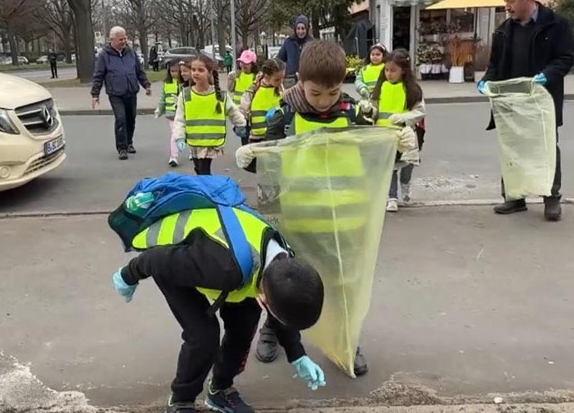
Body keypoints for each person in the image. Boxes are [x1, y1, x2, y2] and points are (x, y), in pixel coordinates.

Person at [249, 41, 416, 376]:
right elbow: (267, 168)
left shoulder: (356, 115)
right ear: (299, 81)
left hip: (345, 221)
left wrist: (399, 148)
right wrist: (255, 168)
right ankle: (274, 328)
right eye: (315, 93)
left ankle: (346, 339)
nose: (325, 101)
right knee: (285, 283)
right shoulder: (284, 117)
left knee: (343, 286)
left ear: (343, 83)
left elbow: (375, 158)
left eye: (333, 92)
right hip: (298, 223)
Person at [111, 191, 328, 413]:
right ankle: (181, 401)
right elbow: (158, 259)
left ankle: (220, 390)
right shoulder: (224, 268)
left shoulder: (283, 262)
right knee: (203, 336)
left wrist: (297, 354)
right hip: (173, 252)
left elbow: (283, 304)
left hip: (223, 261)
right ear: (265, 297)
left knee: (244, 325)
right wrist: (129, 275)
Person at [478, 0, 574, 221]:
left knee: (546, 148)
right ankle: (514, 197)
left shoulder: (556, 25)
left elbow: (566, 57)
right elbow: (495, 66)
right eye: (505, 0)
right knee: (513, 146)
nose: (506, 6)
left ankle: (551, 198)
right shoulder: (503, 30)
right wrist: (486, 82)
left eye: (510, 1)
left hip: (543, 100)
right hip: (512, 101)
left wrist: (548, 74)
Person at [365, 49, 426, 212]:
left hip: (405, 135)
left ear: (403, 71)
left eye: (393, 70)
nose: (389, 74)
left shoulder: (412, 90)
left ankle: (405, 186)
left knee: (407, 165)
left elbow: (420, 111)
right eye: (386, 70)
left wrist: (404, 117)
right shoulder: (380, 88)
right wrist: (368, 111)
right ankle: (391, 197)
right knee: (389, 167)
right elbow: (374, 108)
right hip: (384, 134)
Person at [173, 54, 247, 176]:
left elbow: (233, 111)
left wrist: (241, 124)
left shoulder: (220, 96)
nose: (196, 73)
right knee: (198, 169)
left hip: (211, 141)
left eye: (200, 70)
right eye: (193, 69)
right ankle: (205, 187)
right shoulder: (185, 95)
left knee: (203, 170)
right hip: (195, 140)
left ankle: (207, 190)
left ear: (209, 73)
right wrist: (179, 136)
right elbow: (180, 119)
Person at [91, 26, 152, 161]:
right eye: (121, 39)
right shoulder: (104, 55)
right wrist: (95, 94)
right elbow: (98, 75)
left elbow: (139, 71)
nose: (124, 41)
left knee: (131, 118)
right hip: (115, 93)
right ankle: (122, 148)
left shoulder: (130, 52)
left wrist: (146, 85)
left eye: (125, 38)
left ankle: (129, 142)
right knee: (121, 119)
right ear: (112, 40)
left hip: (131, 91)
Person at [239, 59, 286, 144]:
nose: (281, 82)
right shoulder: (254, 89)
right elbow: (243, 109)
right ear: (267, 76)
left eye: (283, 78)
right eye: (277, 79)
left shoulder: (281, 89)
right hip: (257, 137)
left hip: (276, 135)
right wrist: (241, 125)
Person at [156, 60, 189, 168]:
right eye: (171, 71)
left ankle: (192, 152)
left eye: (176, 71)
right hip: (171, 114)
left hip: (184, 114)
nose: (173, 73)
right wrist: (159, 110)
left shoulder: (183, 84)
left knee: (187, 133)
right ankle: (173, 156)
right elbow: (162, 98)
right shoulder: (167, 84)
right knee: (174, 135)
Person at [277, 15, 314, 89]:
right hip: (291, 79)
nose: (300, 31)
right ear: (295, 29)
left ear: (307, 29)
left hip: (307, 79)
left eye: (303, 28)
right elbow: (279, 59)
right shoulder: (289, 42)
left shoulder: (312, 43)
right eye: (298, 28)